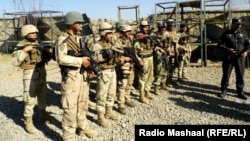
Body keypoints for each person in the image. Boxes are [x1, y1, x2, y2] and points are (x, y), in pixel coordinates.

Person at [54, 11, 97, 140]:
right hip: (71, 78)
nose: (81, 25)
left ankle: (82, 127)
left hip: (83, 76)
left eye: (81, 23)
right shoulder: (62, 39)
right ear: (71, 23)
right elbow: (61, 58)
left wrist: (89, 68)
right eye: (78, 23)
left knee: (83, 103)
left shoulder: (79, 38)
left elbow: (84, 56)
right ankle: (68, 136)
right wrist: (80, 61)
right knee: (70, 108)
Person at [11, 24, 52, 134]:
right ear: (26, 34)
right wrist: (24, 51)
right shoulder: (20, 46)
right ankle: (28, 121)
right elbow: (14, 62)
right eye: (32, 33)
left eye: (36, 32)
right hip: (29, 74)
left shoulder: (39, 43)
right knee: (29, 99)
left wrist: (48, 53)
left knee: (42, 95)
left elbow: (46, 57)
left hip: (41, 71)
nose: (35, 34)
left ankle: (43, 114)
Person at [91, 21, 121, 128]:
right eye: (109, 33)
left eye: (111, 33)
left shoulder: (110, 44)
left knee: (111, 93)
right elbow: (94, 59)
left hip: (112, 70)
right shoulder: (97, 45)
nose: (111, 35)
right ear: (103, 34)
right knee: (101, 95)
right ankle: (100, 116)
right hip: (104, 72)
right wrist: (106, 55)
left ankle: (109, 111)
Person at [217, 18, 250, 100]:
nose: (239, 26)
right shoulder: (226, 33)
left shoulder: (243, 34)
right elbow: (219, 44)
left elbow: (248, 44)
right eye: (237, 24)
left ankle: (240, 92)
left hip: (240, 58)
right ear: (232, 24)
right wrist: (227, 49)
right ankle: (223, 91)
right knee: (226, 74)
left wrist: (247, 52)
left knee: (240, 75)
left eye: (240, 24)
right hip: (228, 57)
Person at [113, 24, 136, 115]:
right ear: (122, 32)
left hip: (130, 65)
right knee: (122, 85)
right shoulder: (118, 42)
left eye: (130, 31)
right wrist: (124, 59)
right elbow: (116, 56)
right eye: (127, 31)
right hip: (122, 66)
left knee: (129, 83)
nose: (130, 33)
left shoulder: (129, 40)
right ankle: (120, 104)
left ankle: (127, 98)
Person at [134, 20, 157, 104]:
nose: (146, 28)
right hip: (143, 58)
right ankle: (141, 95)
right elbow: (134, 51)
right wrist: (138, 60)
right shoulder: (138, 36)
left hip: (150, 57)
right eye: (144, 27)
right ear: (140, 27)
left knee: (150, 76)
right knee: (142, 77)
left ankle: (147, 91)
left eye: (147, 27)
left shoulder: (149, 36)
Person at [151, 21, 169, 95]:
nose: (163, 29)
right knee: (158, 70)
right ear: (159, 28)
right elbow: (151, 46)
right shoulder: (154, 35)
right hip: (158, 54)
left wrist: (169, 49)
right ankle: (156, 87)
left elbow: (169, 43)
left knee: (165, 69)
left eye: (164, 27)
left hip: (165, 53)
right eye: (162, 27)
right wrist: (159, 48)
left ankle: (163, 84)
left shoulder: (166, 34)